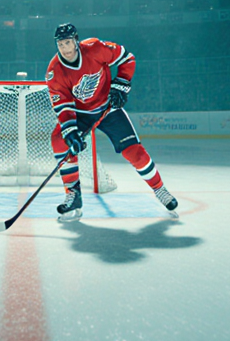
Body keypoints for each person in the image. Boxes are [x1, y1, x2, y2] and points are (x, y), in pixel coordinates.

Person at [46, 23, 178, 220]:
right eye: (60, 44)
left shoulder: (95, 48)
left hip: (108, 108)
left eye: (67, 42)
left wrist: (122, 83)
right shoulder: (54, 71)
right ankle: (73, 195)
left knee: (135, 153)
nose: (64, 48)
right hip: (81, 114)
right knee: (59, 139)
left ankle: (160, 189)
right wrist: (70, 132)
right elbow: (63, 105)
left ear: (76, 41)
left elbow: (127, 58)